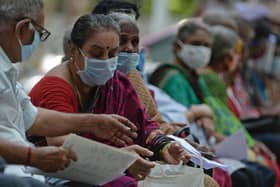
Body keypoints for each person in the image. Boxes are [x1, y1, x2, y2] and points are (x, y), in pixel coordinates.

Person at [29, 14, 190, 186]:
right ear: (73, 51)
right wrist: (119, 159)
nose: (105, 60)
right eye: (97, 53)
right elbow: (63, 144)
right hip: (57, 172)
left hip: (107, 169)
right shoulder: (55, 87)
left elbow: (143, 125)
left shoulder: (116, 82)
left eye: (113, 53)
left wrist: (164, 147)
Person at [150, 19, 276, 187]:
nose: (202, 50)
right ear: (177, 47)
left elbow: (210, 116)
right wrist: (200, 114)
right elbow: (181, 123)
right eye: (196, 44)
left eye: (206, 45)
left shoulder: (197, 78)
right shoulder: (174, 79)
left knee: (260, 172)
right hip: (190, 148)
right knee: (248, 176)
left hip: (209, 145)